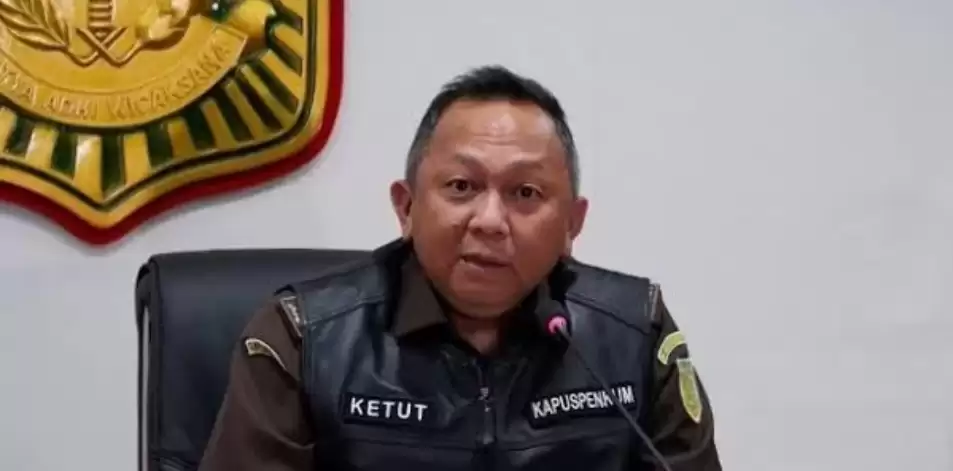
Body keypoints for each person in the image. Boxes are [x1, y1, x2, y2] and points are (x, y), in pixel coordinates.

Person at [198, 65, 722, 471]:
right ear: (406, 207)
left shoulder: (634, 333)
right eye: (461, 187)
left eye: (525, 193)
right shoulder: (302, 338)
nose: (490, 221)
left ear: (571, 223)